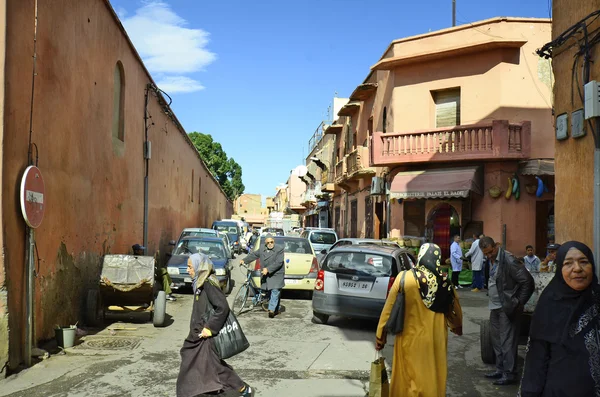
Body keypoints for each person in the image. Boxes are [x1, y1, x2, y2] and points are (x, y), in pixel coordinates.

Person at [375, 243, 463, 397]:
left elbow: (388, 310)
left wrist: (380, 336)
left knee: (407, 379)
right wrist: (457, 327)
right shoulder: (445, 282)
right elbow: (455, 310)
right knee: (432, 377)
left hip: (408, 340)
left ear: (420, 257)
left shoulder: (404, 278)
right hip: (435, 341)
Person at [519, 241, 599, 396]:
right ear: (560, 269)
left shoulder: (597, 300)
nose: (577, 268)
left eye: (583, 262)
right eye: (568, 263)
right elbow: (536, 360)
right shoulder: (548, 305)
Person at [176, 254, 253, 397]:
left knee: (214, 366)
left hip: (205, 334)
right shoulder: (200, 281)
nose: (187, 270)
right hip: (197, 332)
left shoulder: (208, 283)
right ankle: (193, 390)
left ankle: (242, 389)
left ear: (199, 266)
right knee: (196, 360)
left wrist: (210, 329)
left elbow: (222, 307)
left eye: (190, 267)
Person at [479, 236, 534, 385]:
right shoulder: (490, 261)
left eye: (491, 252)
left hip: (507, 307)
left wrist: (518, 303)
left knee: (507, 342)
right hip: (495, 306)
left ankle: (510, 374)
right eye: (486, 254)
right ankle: (500, 370)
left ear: (496, 245)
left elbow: (528, 282)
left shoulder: (509, 260)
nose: (489, 255)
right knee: (496, 340)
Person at [241, 234, 284, 318]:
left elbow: (279, 262)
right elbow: (254, 255)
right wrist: (244, 260)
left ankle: (271, 310)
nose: (270, 244)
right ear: (265, 243)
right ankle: (275, 309)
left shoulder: (279, 249)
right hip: (266, 274)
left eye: (272, 242)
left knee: (275, 290)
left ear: (274, 241)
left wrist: (268, 269)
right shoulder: (262, 249)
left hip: (276, 273)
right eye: (268, 242)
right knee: (272, 291)